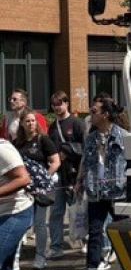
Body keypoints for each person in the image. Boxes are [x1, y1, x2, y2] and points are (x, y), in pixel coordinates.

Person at [73, 95, 129, 270]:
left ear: (105, 114)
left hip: (118, 192)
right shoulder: (91, 138)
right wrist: (79, 181)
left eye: (94, 111)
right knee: (95, 231)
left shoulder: (124, 137)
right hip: (96, 191)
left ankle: (128, 268)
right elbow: (85, 162)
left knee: (122, 232)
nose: (91, 114)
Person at [13, 109, 60, 270]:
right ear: (22, 123)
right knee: (21, 224)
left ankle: (40, 257)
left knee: (40, 224)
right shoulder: (17, 143)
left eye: (33, 120)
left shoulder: (43, 140)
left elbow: (55, 162)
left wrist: (43, 178)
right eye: (27, 121)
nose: (31, 123)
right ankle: (15, 258)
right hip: (23, 189)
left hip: (40, 190)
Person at [47, 91, 86, 259]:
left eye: (60, 103)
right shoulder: (52, 127)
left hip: (75, 174)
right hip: (58, 176)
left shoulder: (77, 123)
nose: (57, 107)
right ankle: (56, 246)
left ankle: (83, 241)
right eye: (54, 104)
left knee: (79, 211)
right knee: (56, 212)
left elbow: (86, 148)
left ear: (67, 103)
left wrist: (68, 152)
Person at [0, 135, 33, 270]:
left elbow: (23, 178)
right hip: (2, 213)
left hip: (17, 213)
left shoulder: (2, 149)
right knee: (5, 269)